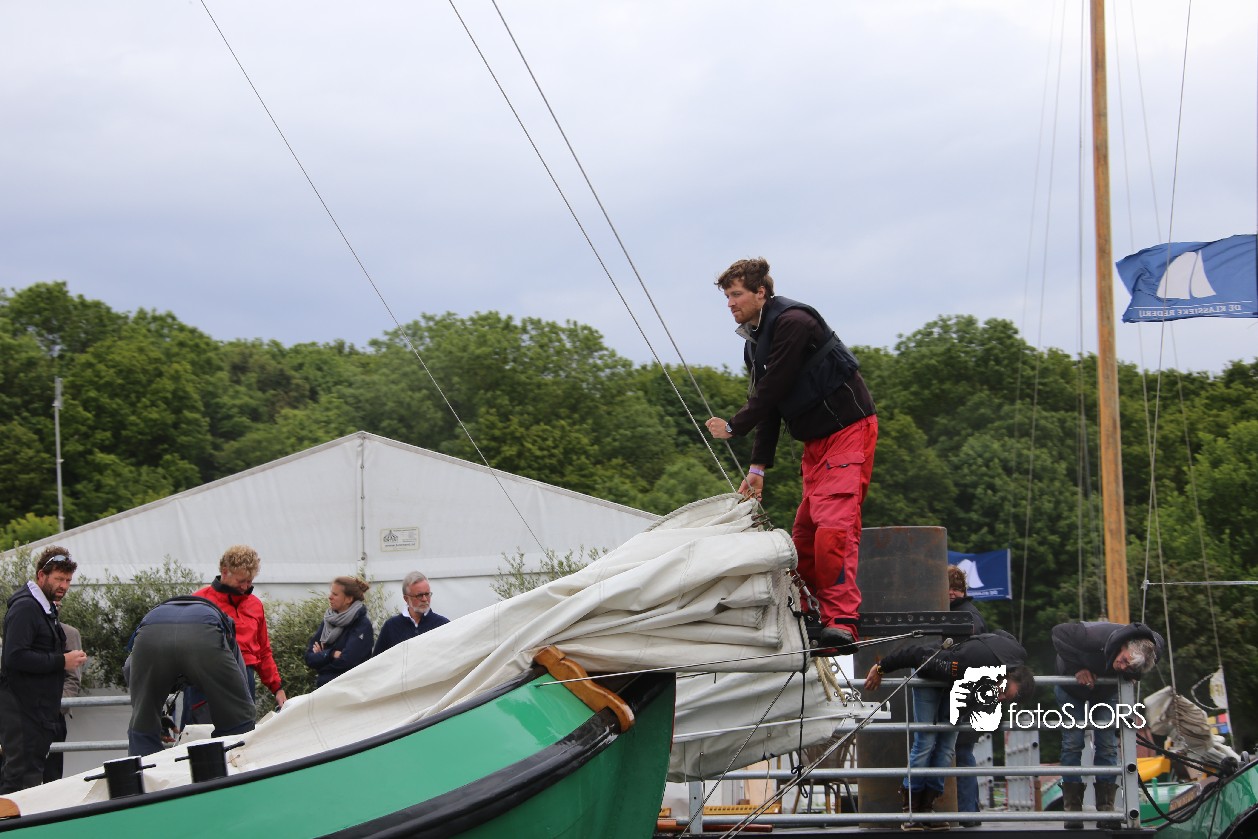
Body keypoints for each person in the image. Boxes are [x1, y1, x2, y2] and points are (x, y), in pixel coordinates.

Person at [704, 258, 877, 651]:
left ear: (761, 292)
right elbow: (770, 407)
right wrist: (757, 467)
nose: (730, 303)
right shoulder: (755, 345)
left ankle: (842, 620)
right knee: (804, 537)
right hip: (815, 446)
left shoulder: (793, 323)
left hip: (848, 432)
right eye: (727, 296)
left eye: (736, 294)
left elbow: (775, 387)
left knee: (833, 529)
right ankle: (813, 612)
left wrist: (734, 426)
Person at [864, 630, 1035, 830]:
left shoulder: (1013, 661)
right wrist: (881, 667)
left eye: (1006, 698)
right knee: (926, 740)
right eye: (1003, 690)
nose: (1000, 697)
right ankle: (912, 809)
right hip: (932, 675)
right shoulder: (966, 662)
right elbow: (916, 654)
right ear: (1006, 674)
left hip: (957, 685)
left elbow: (1002, 635)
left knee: (947, 747)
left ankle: (927, 807)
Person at [1052, 620, 1163, 828]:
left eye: (1129, 666)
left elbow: (1158, 643)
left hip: (1106, 691)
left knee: (1108, 745)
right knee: (1073, 742)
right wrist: (1078, 668)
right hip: (1071, 685)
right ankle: (1072, 811)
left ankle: (1106, 810)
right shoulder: (1092, 637)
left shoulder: (1148, 649)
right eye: (1123, 660)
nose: (1122, 666)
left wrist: (1134, 672)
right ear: (1123, 646)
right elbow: (1058, 632)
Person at [0, 546, 88, 793]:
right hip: (22, 709)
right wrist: (62, 661)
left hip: (36, 710)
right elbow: (14, 657)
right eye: (59, 579)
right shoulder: (26, 607)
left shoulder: (43, 608)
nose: (64, 586)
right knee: (19, 778)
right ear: (41, 575)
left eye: (68, 580)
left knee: (28, 776)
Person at [126, 596, 256, 756]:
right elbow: (239, 694)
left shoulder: (154, 622)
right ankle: (231, 763)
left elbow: (131, 671)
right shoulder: (226, 635)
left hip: (151, 631)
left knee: (142, 730)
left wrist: (150, 714)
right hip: (204, 631)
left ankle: (143, 768)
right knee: (238, 721)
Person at [186, 545, 286, 724]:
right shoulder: (200, 600)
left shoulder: (255, 605)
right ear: (225, 572)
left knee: (243, 735)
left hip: (244, 678)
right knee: (202, 734)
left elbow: (263, 651)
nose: (246, 586)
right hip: (207, 678)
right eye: (241, 581)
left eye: (250, 581)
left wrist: (277, 688)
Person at [947, 566, 987, 825]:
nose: (952, 592)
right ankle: (969, 811)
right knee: (963, 752)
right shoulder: (970, 613)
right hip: (971, 695)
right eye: (948, 588)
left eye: (956, 588)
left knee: (960, 752)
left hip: (963, 696)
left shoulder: (964, 616)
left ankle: (967, 812)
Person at [304, 576, 374, 687]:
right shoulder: (328, 621)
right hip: (324, 689)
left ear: (349, 599)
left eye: (335, 594)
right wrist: (331, 654)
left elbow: (348, 661)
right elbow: (309, 658)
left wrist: (321, 660)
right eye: (331, 593)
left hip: (349, 689)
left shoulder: (361, 625)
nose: (330, 597)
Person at [42, 621, 84, 782]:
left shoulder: (69, 633)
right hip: (18, 716)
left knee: (50, 775)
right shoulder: (22, 630)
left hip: (51, 717)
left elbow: (72, 680)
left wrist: (55, 708)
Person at [373, 572, 449, 656]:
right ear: (406, 599)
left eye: (427, 594)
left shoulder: (443, 625)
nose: (424, 599)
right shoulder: (391, 627)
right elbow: (377, 661)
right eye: (419, 595)